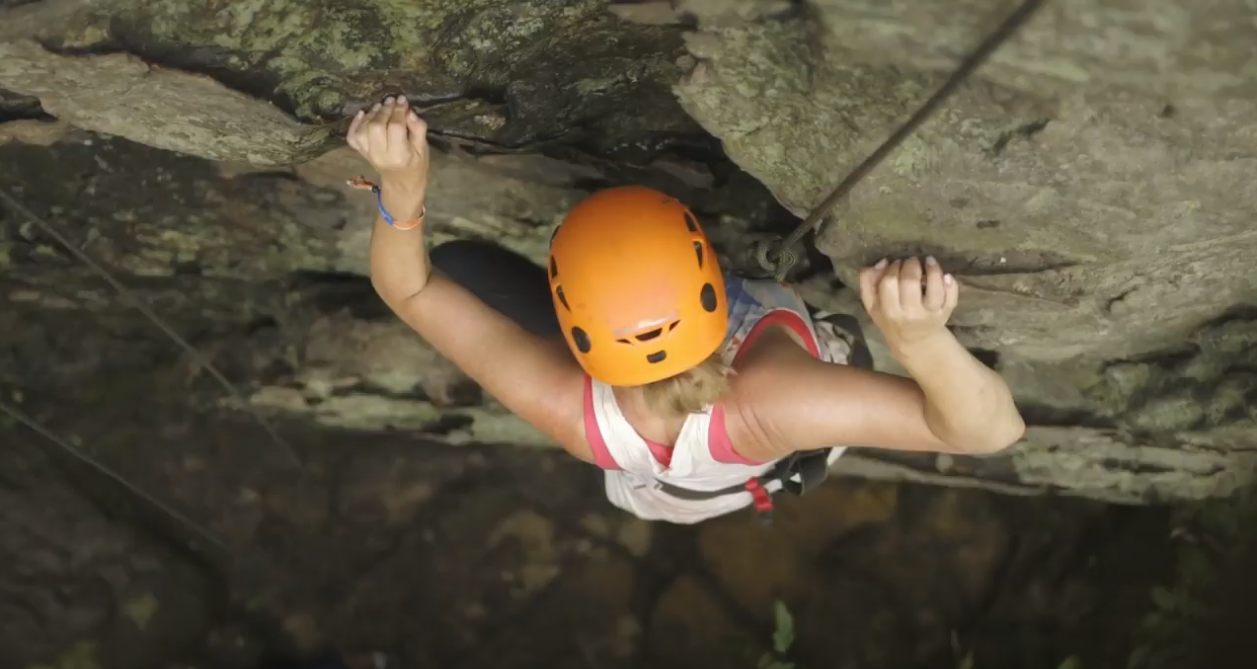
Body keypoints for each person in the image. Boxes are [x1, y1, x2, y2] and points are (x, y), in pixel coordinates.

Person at [344, 96, 1026, 525]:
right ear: (704, 268)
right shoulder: (776, 398)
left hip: (667, 482)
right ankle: (833, 342)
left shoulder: (570, 409)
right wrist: (917, 339)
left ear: (576, 329)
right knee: (845, 339)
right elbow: (989, 430)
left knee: (460, 270)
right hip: (740, 447)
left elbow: (412, 289)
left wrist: (402, 187)